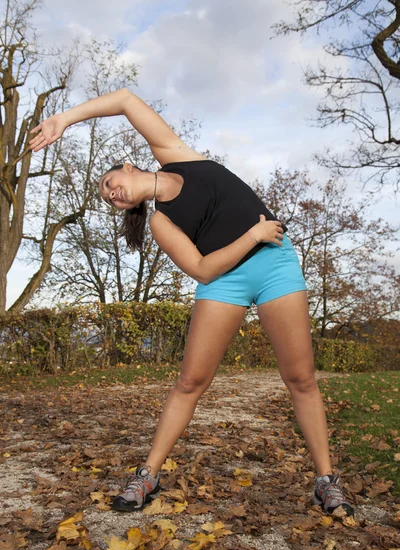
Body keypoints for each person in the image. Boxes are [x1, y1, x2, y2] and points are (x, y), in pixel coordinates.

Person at [29, 88, 354, 517]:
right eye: (107, 198)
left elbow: (125, 100)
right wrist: (252, 236)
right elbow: (202, 270)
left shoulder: (178, 154)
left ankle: (326, 482)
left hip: (276, 264)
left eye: (110, 183)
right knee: (190, 382)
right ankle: (147, 475)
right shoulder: (162, 224)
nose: (111, 194)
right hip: (225, 280)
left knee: (301, 378)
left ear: (128, 166)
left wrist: (64, 120)